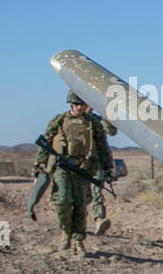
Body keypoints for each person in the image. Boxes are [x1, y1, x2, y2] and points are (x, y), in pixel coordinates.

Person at [34, 91, 114, 256]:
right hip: (62, 166)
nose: (80, 107)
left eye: (82, 104)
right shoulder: (59, 120)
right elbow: (46, 140)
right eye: (77, 104)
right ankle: (65, 231)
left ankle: (78, 240)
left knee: (80, 205)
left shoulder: (93, 123)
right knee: (62, 200)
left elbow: (103, 147)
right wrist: (40, 163)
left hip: (82, 168)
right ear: (71, 104)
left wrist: (107, 168)